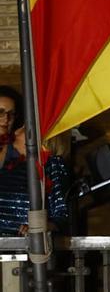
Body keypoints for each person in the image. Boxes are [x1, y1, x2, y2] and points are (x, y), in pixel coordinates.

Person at [0, 86, 71, 236]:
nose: (17, 129)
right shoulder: (7, 154)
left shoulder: (51, 164)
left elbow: (62, 215)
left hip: (20, 248)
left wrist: (39, 227)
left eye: (25, 128)